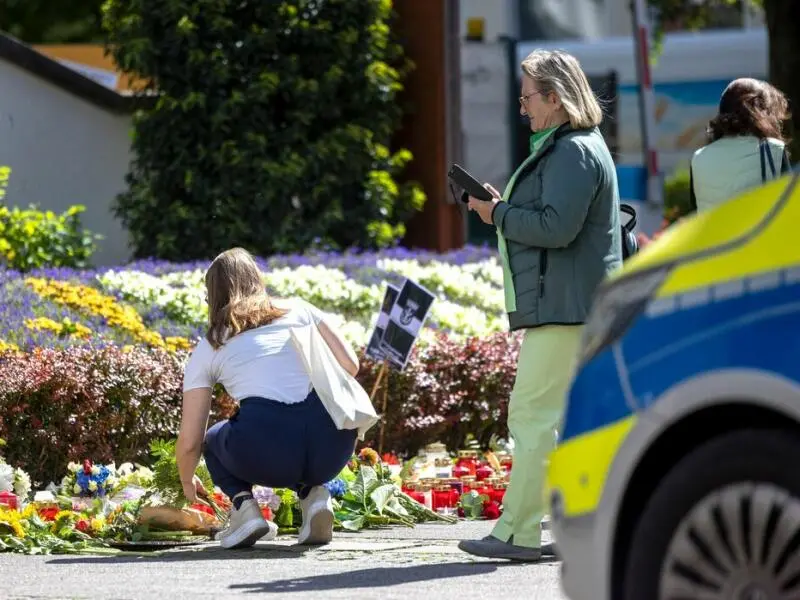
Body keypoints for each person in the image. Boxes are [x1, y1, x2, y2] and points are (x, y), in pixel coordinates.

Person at [458, 49, 622, 562]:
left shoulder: (572, 150)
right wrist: (502, 208)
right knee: (568, 423)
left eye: (528, 96)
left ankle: (517, 532)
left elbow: (557, 227)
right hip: (578, 304)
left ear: (555, 96)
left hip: (567, 308)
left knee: (529, 416)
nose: (522, 106)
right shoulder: (576, 146)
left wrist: (499, 212)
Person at [176, 247, 359, 549]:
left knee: (214, 438)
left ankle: (245, 510)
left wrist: (186, 481)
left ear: (213, 295)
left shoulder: (211, 345)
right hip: (334, 442)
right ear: (257, 279)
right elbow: (350, 365)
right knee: (299, 433)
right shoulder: (301, 309)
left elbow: (191, 440)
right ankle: (315, 497)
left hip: (268, 449)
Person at [689, 77, 791, 213]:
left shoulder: (699, 157)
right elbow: (790, 208)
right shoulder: (773, 150)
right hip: (760, 234)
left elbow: (695, 212)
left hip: (719, 234)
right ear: (763, 112)